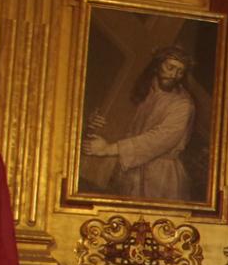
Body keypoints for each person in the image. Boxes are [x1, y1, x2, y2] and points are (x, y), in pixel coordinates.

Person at [82, 46, 198, 201]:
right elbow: (120, 121)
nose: (174, 75)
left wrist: (109, 149)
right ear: (157, 65)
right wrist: (95, 121)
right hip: (130, 171)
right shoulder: (145, 90)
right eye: (170, 67)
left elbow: (159, 139)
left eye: (180, 71)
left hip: (160, 177)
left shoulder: (183, 104)